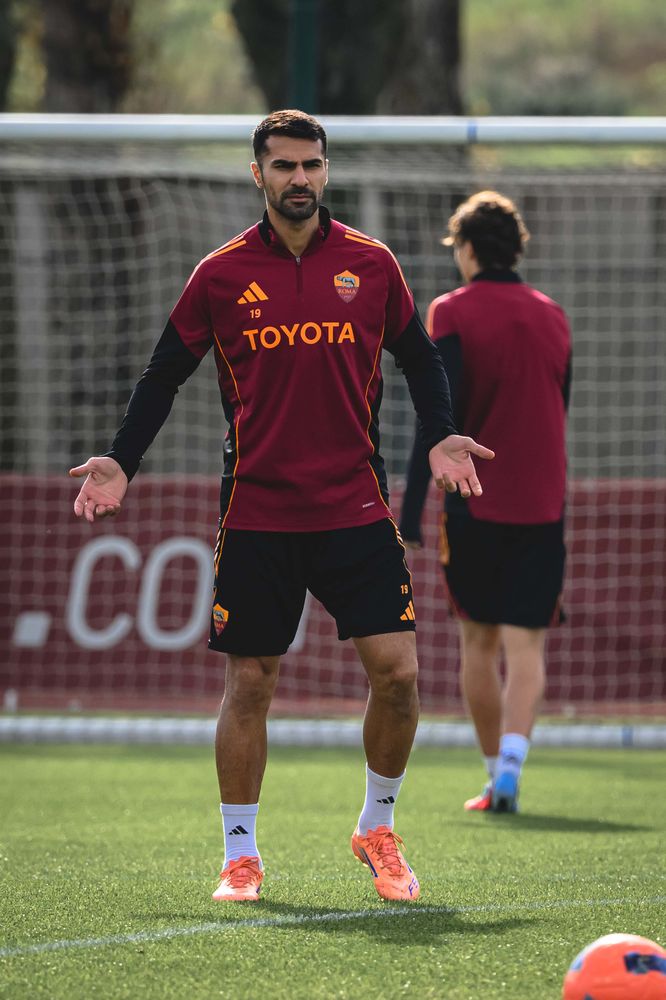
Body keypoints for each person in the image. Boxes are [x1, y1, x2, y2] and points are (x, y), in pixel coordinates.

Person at [69, 110, 494, 903]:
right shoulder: (221, 273)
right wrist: (122, 462)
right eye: (284, 166)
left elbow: (419, 357)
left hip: (355, 507)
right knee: (252, 685)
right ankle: (241, 854)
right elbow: (164, 375)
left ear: (326, 171)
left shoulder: (371, 264)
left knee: (399, 675)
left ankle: (377, 829)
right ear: (256, 173)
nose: (299, 178)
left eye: (312, 165)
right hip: (258, 513)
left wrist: (440, 435)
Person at [399, 190, 571, 814]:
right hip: (544, 504)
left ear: (467, 250)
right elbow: (561, 408)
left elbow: (437, 413)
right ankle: (513, 772)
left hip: (472, 502)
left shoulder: (452, 310)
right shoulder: (554, 315)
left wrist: (412, 509)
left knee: (479, 644)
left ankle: (491, 768)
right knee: (528, 647)